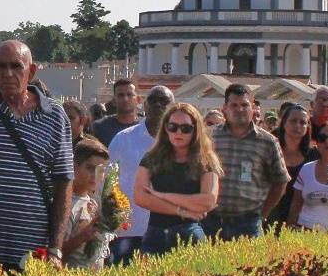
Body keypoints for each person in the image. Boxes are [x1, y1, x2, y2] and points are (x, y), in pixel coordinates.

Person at [0, 41, 72, 270]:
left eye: (16, 66)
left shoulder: (54, 115)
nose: (8, 74)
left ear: (31, 72)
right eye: (1, 67)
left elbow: (64, 182)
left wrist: (55, 248)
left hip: (33, 253)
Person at [132, 101, 219, 254]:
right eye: (172, 127)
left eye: (186, 128)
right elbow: (140, 197)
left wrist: (162, 195)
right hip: (156, 234)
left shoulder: (205, 160)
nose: (178, 133)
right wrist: (181, 211)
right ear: (166, 128)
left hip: (190, 233)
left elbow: (208, 201)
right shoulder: (152, 158)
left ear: (195, 130)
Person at [205, 83, 288, 241]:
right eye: (234, 105)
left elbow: (281, 181)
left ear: (253, 107)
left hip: (248, 223)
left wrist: (263, 214)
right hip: (212, 221)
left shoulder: (268, 141)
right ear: (225, 108)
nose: (239, 109)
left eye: (244, 105)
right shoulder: (210, 137)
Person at [105, 84, 172, 262]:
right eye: (153, 100)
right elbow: (107, 182)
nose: (158, 105)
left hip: (168, 232)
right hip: (128, 231)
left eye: (164, 101)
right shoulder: (123, 139)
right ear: (144, 105)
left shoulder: (181, 142)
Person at [61, 137, 114, 268]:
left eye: (100, 170)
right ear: (74, 167)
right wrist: (83, 236)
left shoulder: (93, 203)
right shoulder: (65, 205)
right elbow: (54, 253)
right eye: (90, 168)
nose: (95, 175)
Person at [267, 104, 316, 227]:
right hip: (271, 216)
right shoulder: (270, 151)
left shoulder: (314, 156)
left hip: (303, 219)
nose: (298, 126)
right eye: (293, 121)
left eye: (302, 122)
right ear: (284, 123)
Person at [91, 80, 140, 148]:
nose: (125, 99)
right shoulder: (100, 127)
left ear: (137, 100)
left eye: (129, 95)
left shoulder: (146, 127)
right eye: (121, 95)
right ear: (114, 100)